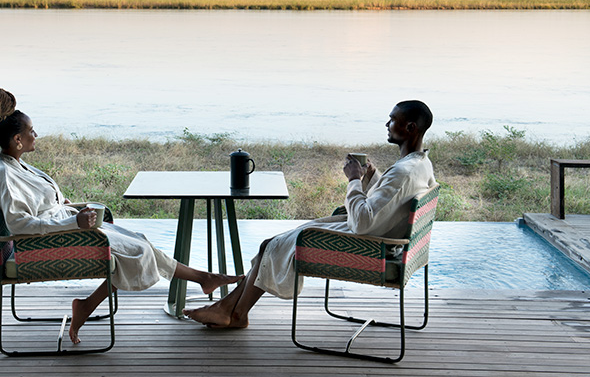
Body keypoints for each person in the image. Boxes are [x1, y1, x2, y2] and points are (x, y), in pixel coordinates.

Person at [0, 88, 241, 344]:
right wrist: (72, 221)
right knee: (134, 251)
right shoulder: (5, 176)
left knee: (139, 241)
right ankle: (89, 305)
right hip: (45, 244)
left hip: (64, 230)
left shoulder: (16, 165)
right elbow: (19, 223)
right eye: (31, 131)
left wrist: (68, 208)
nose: (35, 135)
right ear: (17, 140)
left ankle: (203, 277)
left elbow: (38, 206)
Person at [183, 100, 436, 329]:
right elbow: (390, 200)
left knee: (271, 246)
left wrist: (354, 180)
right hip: (386, 241)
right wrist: (371, 177)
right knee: (269, 246)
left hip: (371, 248)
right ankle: (230, 311)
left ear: (411, 127)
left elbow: (362, 222)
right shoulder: (419, 164)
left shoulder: (404, 172)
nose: (387, 124)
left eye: (393, 120)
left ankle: (232, 313)